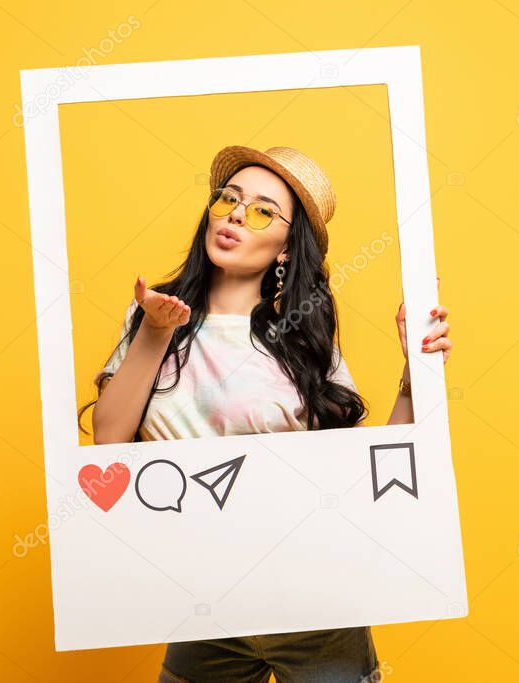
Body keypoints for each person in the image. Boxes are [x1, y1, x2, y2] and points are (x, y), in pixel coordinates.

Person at [77, 145, 452, 682]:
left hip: (315, 605)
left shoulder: (302, 344)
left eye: (260, 210)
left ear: (285, 247)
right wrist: (156, 331)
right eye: (228, 199)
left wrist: (416, 373)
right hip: (206, 608)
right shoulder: (152, 316)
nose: (234, 213)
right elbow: (109, 444)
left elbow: (369, 480)